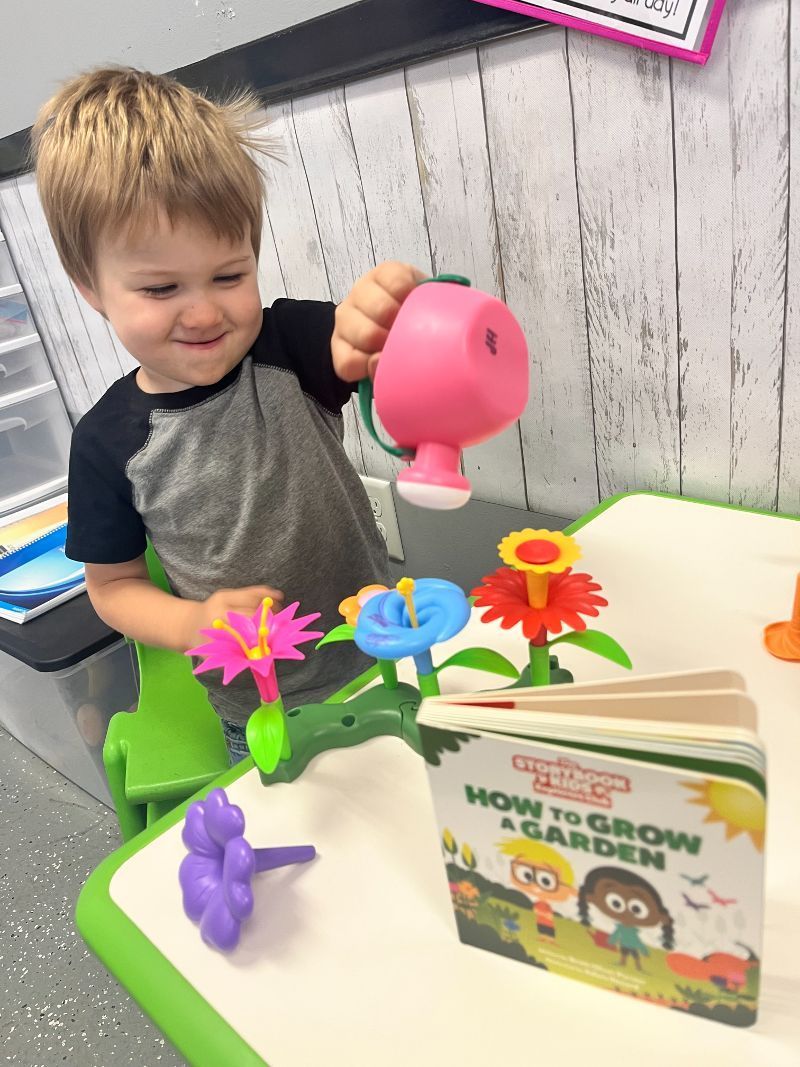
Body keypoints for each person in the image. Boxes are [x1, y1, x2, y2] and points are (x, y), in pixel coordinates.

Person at [32, 67, 422, 762]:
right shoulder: (106, 443)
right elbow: (113, 589)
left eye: (229, 275)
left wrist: (382, 324)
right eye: (160, 287)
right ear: (90, 286)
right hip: (260, 706)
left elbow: (369, 357)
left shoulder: (289, 343)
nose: (206, 311)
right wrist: (194, 621)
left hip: (382, 651)